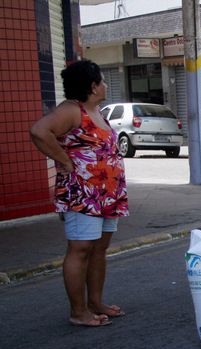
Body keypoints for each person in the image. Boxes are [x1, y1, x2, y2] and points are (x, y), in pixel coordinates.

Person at [29, 59, 128, 327]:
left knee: (99, 249)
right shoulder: (72, 110)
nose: (105, 85)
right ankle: (78, 311)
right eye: (102, 80)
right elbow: (39, 131)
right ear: (93, 86)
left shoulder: (95, 111)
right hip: (83, 194)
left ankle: (95, 303)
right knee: (81, 249)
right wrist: (63, 159)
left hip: (107, 194)